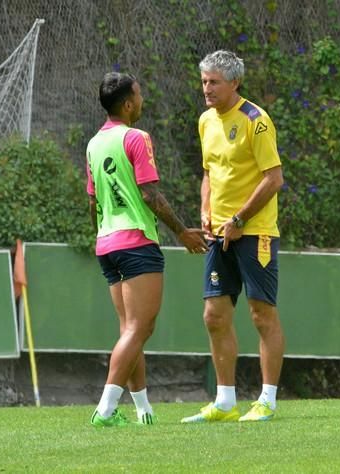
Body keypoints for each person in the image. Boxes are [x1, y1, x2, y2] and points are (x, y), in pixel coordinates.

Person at [86, 72, 208, 427]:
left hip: (106, 242)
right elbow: (150, 194)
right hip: (137, 241)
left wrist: (103, 235)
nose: (142, 101)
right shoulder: (136, 138)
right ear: (127, 104)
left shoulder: (94, 143)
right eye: (139, 96)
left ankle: (143, 409)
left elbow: (92, 201)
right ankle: (105, 410)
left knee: (129, 328)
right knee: (140, 328)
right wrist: (182, 232)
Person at [181, 50, 285, 423]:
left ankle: (267, 400)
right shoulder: (206, 120)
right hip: (218, 234)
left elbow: (274, 178)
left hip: (253, 231)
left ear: (234, 83)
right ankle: (225, 401)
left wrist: (240, 217)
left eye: (214, 82)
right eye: (204, 81)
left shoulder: (256, 121)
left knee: (261, 315)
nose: (207, 89)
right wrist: (206, 211)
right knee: (214, 315)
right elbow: (209, 172)